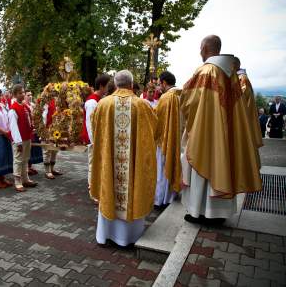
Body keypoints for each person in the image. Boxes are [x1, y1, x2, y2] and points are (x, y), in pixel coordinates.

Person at [180, 35, 262, 225]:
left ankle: (199, 213)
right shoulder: (231, 74)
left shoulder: (206, 71)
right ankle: (219, 214)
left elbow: (188, 100)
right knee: (222, 163)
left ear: (205, 48)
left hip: (205, 132)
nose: (199, 52)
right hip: (225, 133)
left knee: (203, 165)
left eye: (200, 48)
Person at [90, 69, 158, 246]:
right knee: (131, 188)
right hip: (132, 168)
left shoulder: (103, 104)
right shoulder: (142, 105)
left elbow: (95, 130)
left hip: (110, 163)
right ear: (131, 83)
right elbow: (154, 131)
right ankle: (127, 237)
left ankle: (106, 236)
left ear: (116, 83)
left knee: (110, 187)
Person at [154, 71, 181, 209]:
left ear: (164, 83)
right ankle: (172, 195)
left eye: (159, 84)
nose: (159, 87)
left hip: (164, 140)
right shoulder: (182, 94)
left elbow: (157, 120)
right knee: (174, 165)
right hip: (178, 140)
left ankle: (160, 200)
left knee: (162, 169)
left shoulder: (166, 98)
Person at [81, 74, 110, 193]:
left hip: (100, 138)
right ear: (102, 86)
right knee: (93, 164)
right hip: (94, 140)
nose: (108, 88)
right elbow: (89, 124)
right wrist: (94, 141)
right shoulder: (92, 102)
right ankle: (92, 189)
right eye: (107, 86)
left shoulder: (100, 100)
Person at [8, 84, 38, 192]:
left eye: (23, 92)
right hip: (19, 140)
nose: (23, 94)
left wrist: (32, 129)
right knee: (18, 160)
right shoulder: (13, 109)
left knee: (25, 159)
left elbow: (29, 120)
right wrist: (18, 142)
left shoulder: (25, 106)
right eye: (20, 93)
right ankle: (17, 182)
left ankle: (26, 179)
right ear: (15, 94)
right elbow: (13, 127)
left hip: (27, 137)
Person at [234, 57, 263, 150]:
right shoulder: (238, 77)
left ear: (235, 65)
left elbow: (242, 98)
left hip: (243, 116)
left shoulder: (242, 78)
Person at [42, 98, 63, 179]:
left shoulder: (55, 101)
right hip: (46, 129)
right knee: (47, 150)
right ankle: (47, 171)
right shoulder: (43, 103)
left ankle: (52, 168)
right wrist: (43, 132)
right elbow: (43, 118)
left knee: (54, 150)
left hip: (55, 129)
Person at [25, 91, 43, 175]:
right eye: (28, 95)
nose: (30, 96)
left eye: (31, 95)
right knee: (28, 148)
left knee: (33, 148)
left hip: (34, 128)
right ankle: (26, 167)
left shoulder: (32, 105)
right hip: (28, 129)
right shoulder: (24, 105)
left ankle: (30, 165)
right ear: (24, 96)